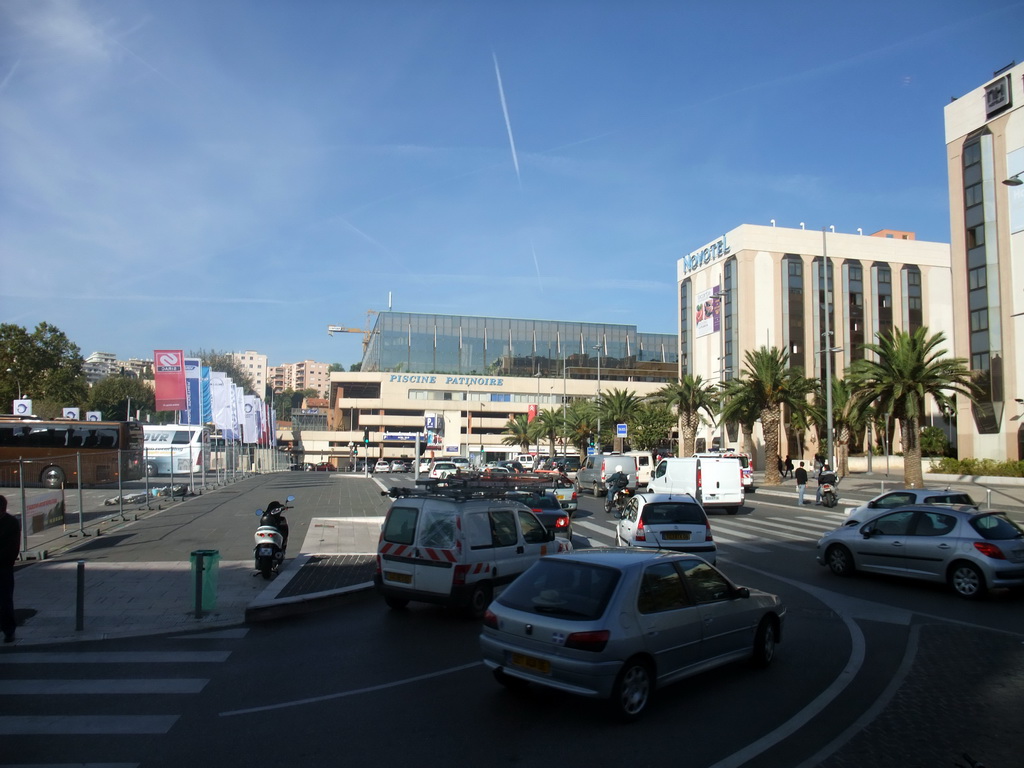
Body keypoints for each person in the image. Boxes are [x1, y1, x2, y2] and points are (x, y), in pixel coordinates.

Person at [0, 494, 20, 643]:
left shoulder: (11, 523)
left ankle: (9, 631)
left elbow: (12, 549)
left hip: (3, 568)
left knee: (5, 601)